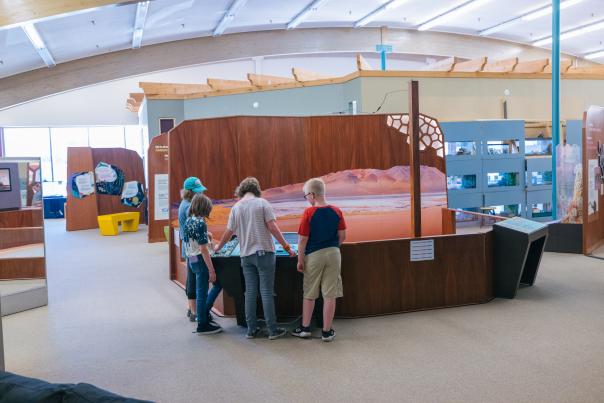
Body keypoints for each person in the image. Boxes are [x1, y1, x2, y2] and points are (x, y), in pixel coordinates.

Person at [214, 177, 295, 340]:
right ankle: (272, 330)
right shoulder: (262, 203)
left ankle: (251, 330)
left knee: (249, 292)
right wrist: (287, 247)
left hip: (246, 255)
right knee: (266, 292)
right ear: (256, 189)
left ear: (242, 190)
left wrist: (218, 247)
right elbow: (272, 227)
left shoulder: (236, 207)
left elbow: (229, 232)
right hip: (264, 253)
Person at [291, 178, 346, 342]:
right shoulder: (337, 211)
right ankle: (327, 332)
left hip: (314, 255)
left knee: (309, 292)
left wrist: (300, 260)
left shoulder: (309, 213)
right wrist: (333, 247)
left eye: (305, 195)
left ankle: (305, 328)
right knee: (330, 294)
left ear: (312, 195)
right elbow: (342, 236)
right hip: (334, 254)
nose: (306, 198)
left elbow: (302, 240)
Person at [183, 193, 223, 335]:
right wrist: (211, 270)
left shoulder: (189, 220)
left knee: (204, 291)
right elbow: (203, 249)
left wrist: (207, 236)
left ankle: (204, 315)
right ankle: (202, 324)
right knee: (203, 292)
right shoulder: (200, 223)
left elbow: (192, 240)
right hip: (200, 260)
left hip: (191, 259)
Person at [178, 177, 207, 322]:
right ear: (190, 192)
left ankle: (191, 308)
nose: (199, 194)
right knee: (194, 280)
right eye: (197, 192)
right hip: (193, 250)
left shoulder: (185, 203)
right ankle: (195, 312)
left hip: (189, 248)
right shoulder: (189, 207)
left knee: (192, 278)